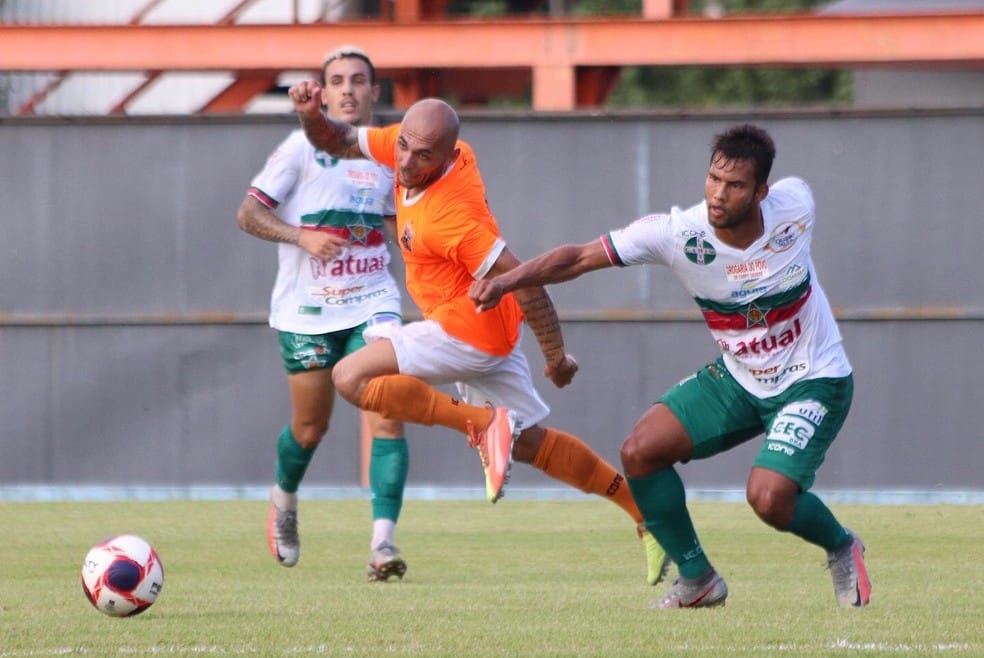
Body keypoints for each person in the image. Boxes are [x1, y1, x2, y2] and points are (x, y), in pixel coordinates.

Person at [469, 124, 871, 609]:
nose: (719, 194)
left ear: (762, 192)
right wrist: (506, 281)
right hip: (741, 379)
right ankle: (697, 578)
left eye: (736, 185)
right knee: (640, 451)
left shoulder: (795, 205)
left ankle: (841, 544)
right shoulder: (678, 234)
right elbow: (576, 259)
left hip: (813, 379)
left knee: (769, 498)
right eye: (713, 179)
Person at [286, 81, 671, 586]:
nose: (404, 163)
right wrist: (311, 113)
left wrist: (555, 356)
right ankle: (646, 517)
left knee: (350, 377)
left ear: (447, 158)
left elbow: (528, 282)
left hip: (464, 328)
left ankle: (483, 425)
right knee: (533, 445)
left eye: (422, 156)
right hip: (493, 331)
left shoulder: (453, 220)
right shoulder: (416, 147)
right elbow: (336, 140)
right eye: (403, 145)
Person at [237, 46, 410, 582]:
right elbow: (248, 214)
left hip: (372, 301)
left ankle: (383, 544)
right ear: (325, 90)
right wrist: (299, 235)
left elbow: (394, 229)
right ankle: (284, 499)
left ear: (374, 92)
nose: (348, 90)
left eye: (359, 80)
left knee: (387, 409)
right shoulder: (298, 149)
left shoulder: (390, 152)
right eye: (337, 81)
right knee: (311, 427)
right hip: (307, 311)